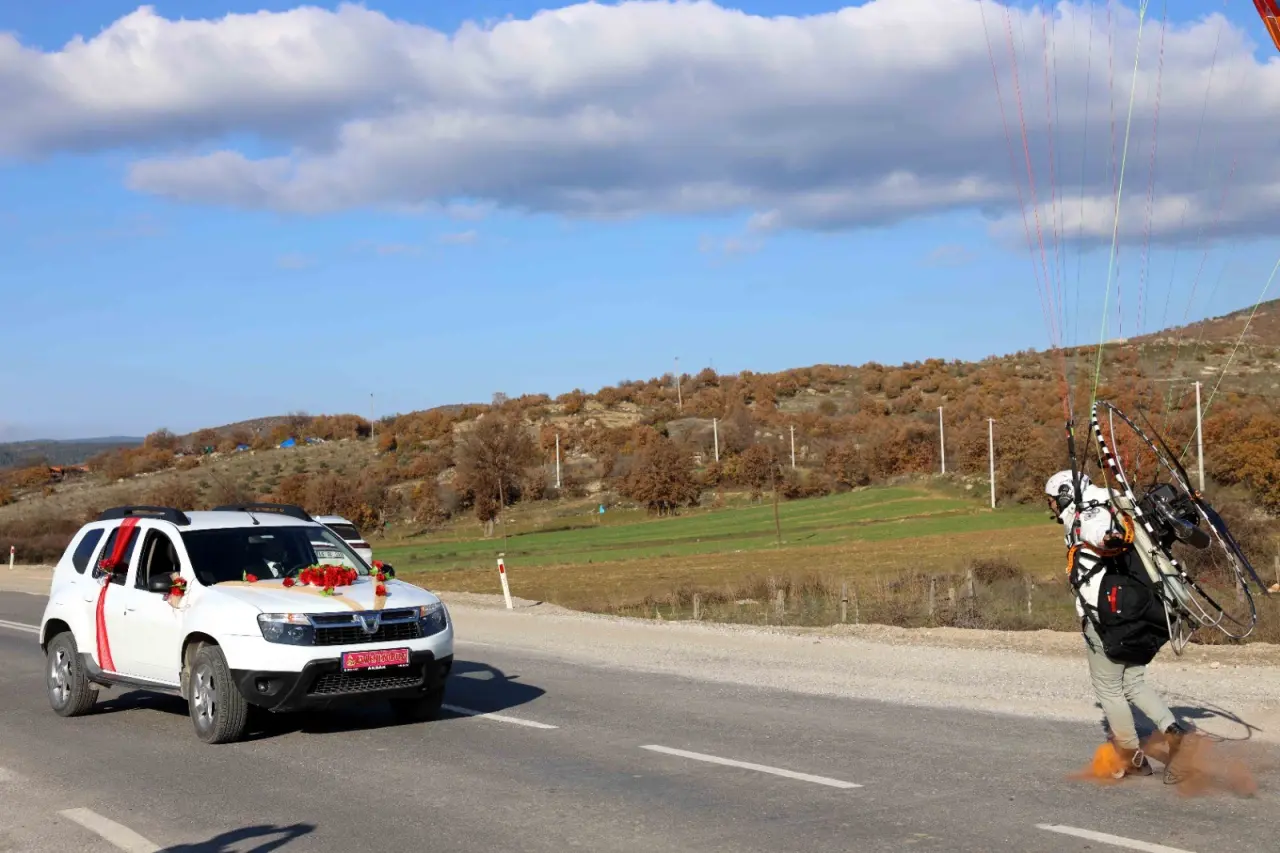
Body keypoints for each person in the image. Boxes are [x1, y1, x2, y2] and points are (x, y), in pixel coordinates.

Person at [1044, 470, 1191, 780]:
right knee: (1133, 681)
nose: (1052, 507)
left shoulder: (1087, 514)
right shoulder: (1116, 504)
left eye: (1053, 500)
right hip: (1144, 611)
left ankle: (1130, 754)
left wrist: (1106, 537)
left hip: (1108, 619)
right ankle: (1173, 731)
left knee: (1109, 688)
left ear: (1066, 494)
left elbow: (1098, 529)